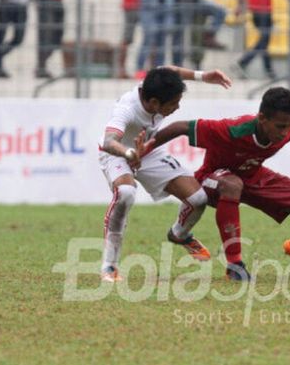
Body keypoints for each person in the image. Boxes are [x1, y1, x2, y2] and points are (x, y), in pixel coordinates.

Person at [144, 87, 290, 281]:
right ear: (262, 119)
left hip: (252, 175)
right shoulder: (232, 130)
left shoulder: (287, 128)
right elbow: (180, 127)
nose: (285, 132)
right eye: (281, 126)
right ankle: (235, 266)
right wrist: (142, 151)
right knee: (232, 184)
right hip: (212, 178)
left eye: (288, 125)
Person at [98, 65, 232, 282]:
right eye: (173, 104)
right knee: (125, 193)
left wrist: (203, 76)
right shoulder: (126, 109)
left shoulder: (154, 84)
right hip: (118, 153)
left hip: (146, 150)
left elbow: (166, 69)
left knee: (198, 199)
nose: (177, 107)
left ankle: (179, 234)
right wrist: (131, 153)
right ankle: (109, 266)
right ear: (153, 103)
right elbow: (108, 142)